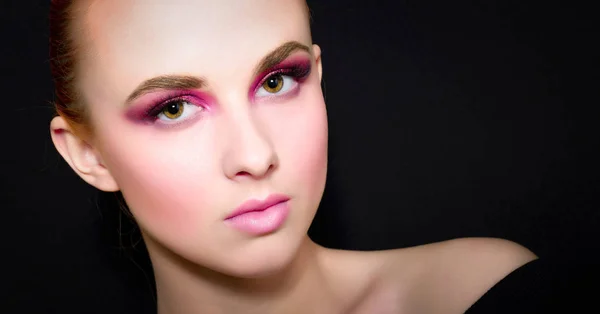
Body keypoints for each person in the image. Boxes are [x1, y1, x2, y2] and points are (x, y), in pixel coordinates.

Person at [48, 0, 537, 313]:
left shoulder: (479, 292)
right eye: (174, 109)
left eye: (276, 81)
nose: (256, 155)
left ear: (318, 75)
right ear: (89, 155)